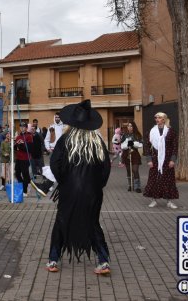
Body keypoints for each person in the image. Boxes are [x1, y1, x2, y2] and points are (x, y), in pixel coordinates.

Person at [46, 99, 111, 275]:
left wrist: (64, 181)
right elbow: (106, 168)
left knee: (62, 221)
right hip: (93, 192)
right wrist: (98, 184)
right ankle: (103, 260)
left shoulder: (65, 140)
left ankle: (53, 259)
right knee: (92, 222)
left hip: (70, 190)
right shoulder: (97, 141)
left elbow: (54, 163)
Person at [144, 112, 179, 209]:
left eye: (159, 118)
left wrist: (173, 160)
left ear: (164, 119)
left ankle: (169, 201)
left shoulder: (171, 131)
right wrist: (149, 160)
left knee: (168, 180)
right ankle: (153, 200)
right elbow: (147, 146)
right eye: (156, 118)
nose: (157, 119)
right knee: (154, 179)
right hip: (155, 159)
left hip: (167, 160)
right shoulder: (151, 131)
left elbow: (175, 147)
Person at [120, 122, 144, 193]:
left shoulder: (137, 135)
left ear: (134, 127)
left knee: (135, 170)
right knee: (128, 170)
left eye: (131, 126)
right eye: (128, 126)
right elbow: (122, 145)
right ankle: (130, 185)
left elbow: (141, 144)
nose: (129, 127)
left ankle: (137, 187)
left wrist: (133, 143)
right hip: (126, 154)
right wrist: (127, 145)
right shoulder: (125, 135)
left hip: (134, 154)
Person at [14, 122, 33, 197]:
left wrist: (20, 145)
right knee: (17, 173)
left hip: (25, 158)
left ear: (26, 128)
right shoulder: (18, 137)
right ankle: (25, 184)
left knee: (25, 174)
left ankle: (25, 191)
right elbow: (16, 148)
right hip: (18, 158)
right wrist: (14, 145)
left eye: (24, 127)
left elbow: (29, 148)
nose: (22, 128)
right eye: (21, 127)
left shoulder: (29, 136)